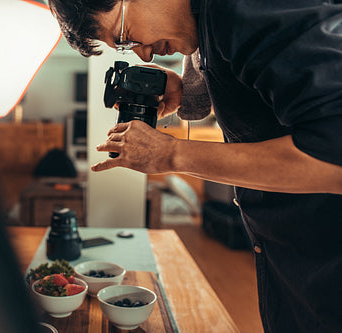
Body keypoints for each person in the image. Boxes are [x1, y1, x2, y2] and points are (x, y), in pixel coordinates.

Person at [48, 0, 342, 332]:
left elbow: (333, 156)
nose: (144, 56)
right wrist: (188, 92)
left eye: (128, 36)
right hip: (293, 254)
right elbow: (237, 59)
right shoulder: (211, 20)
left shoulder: (239, 9)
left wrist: (172, 155)